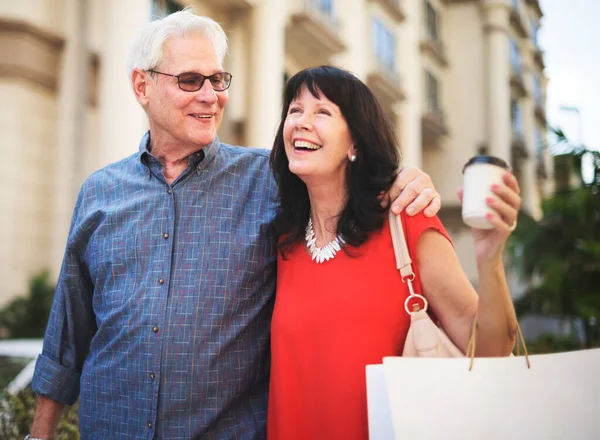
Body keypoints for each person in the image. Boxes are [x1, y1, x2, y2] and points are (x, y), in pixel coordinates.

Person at [28, 10, 442, 440]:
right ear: (142, 86)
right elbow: (68, 332)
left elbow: (343, 179)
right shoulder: (99, 192)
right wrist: (38, 435)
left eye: (218, 79)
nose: (211, 96)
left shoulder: (274, 181)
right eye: (191, 80)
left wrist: (403, 180)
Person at [266, 66, 521, 440]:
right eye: (294, 110)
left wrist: (490, 257)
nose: (302, 122)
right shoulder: (283, 243)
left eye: (322, 112)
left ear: (355, 144)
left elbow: (492, 349)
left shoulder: (406, 224)